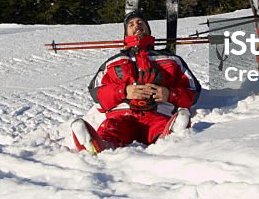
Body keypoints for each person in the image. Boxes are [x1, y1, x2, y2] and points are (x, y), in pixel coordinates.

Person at [70, 10, 201, 154]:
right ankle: (97, 146)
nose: (136, 26)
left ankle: (171, 137)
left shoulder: (171, 59)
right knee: (112, 128)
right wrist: (123, 91)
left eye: (140, 22)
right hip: (123, 115)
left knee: (162, 127)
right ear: (126, 34)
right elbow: (97, 93)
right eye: (131, 24)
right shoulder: (114, 62)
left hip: (158, 114)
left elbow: (193, 91)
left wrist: (170, 94)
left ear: (148, 28)